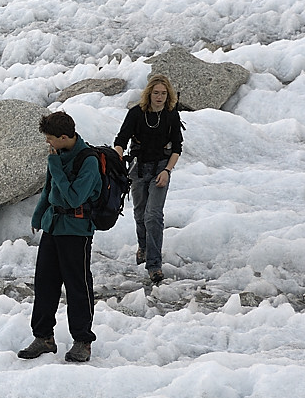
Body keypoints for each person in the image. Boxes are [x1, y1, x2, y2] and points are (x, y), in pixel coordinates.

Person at [18, 111, 102, 363]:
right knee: (45, 282)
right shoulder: (58, 153)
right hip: (53, 227)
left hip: (76, 231)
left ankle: (82, 341)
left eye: (50, 138)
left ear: (64, 136)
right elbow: (49, 188)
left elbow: (74, 197)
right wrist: (38, 215)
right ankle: (43, 337)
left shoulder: (88, 161)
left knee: (78, 286)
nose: (48, 142)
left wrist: (55, 167)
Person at [113, 74, 183, 284]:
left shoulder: (171, 115)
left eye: (163, 93)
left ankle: (154, 265)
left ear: (168, 95)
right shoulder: (136, 113)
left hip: (161, 168)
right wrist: (117, 158)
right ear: (149, 93)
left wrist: (167, 171)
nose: (159, 97)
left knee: (154, 215)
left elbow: (178, 148)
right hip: (138, 168)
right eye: (156, 93)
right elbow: (121, 140)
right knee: (140, 213)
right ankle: (143, 246)